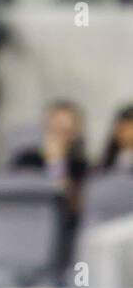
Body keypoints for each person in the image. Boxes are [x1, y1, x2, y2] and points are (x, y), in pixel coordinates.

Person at [12, 100, 90, 264]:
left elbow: (74, 207)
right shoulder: (26, 159)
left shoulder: (81, 166)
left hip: (63, 233)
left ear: (75, 134)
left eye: (65, 131)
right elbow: (17, 195)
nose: (58, 137)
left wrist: (57, 164)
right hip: (23, 226)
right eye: (54, 130)